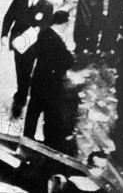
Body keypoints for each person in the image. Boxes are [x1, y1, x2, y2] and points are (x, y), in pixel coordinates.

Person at [2, 0, 53, 118]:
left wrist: (38, 29)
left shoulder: (47, 6)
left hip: (33, 45)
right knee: (20, 69)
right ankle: (22, 91)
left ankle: (21, 98)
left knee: (27, 70)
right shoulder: (19, 0)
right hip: (18, 41)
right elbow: (9, 17)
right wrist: (4, 34)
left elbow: (47, 23)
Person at [23, 11, 74, 151]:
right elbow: (69, 61)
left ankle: (27, 139)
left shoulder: (43, 33)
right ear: (64, 24)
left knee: (33, 112)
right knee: (50, 115)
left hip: (38, 80)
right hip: (51, 86)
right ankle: (48, 146)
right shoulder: (57, 40)